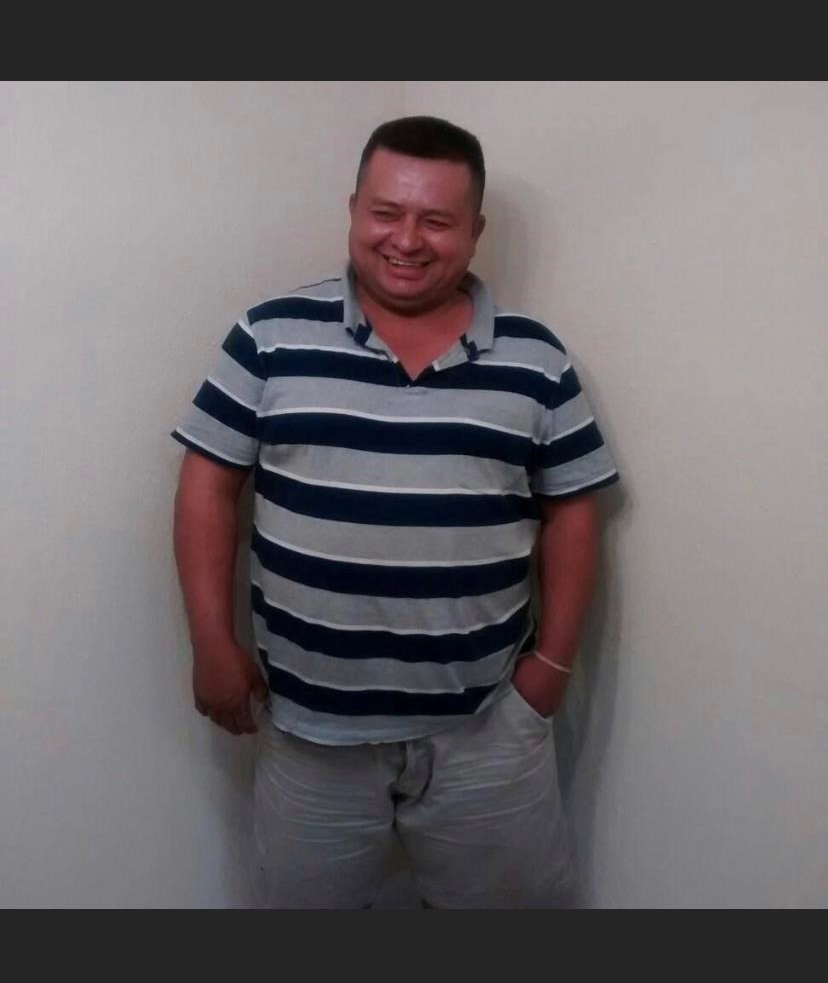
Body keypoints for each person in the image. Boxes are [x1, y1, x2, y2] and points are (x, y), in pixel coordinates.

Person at [172, 116, 619, 908]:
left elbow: (574, 512)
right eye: (386, 212)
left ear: (475, 231)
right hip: (309, 731)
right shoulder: (269, 337)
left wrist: (549, 671)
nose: (406, 240)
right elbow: (206, 485)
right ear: (354, 209)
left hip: (486, 729)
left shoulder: (537, 359)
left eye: (437, 220)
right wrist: (211, 643)